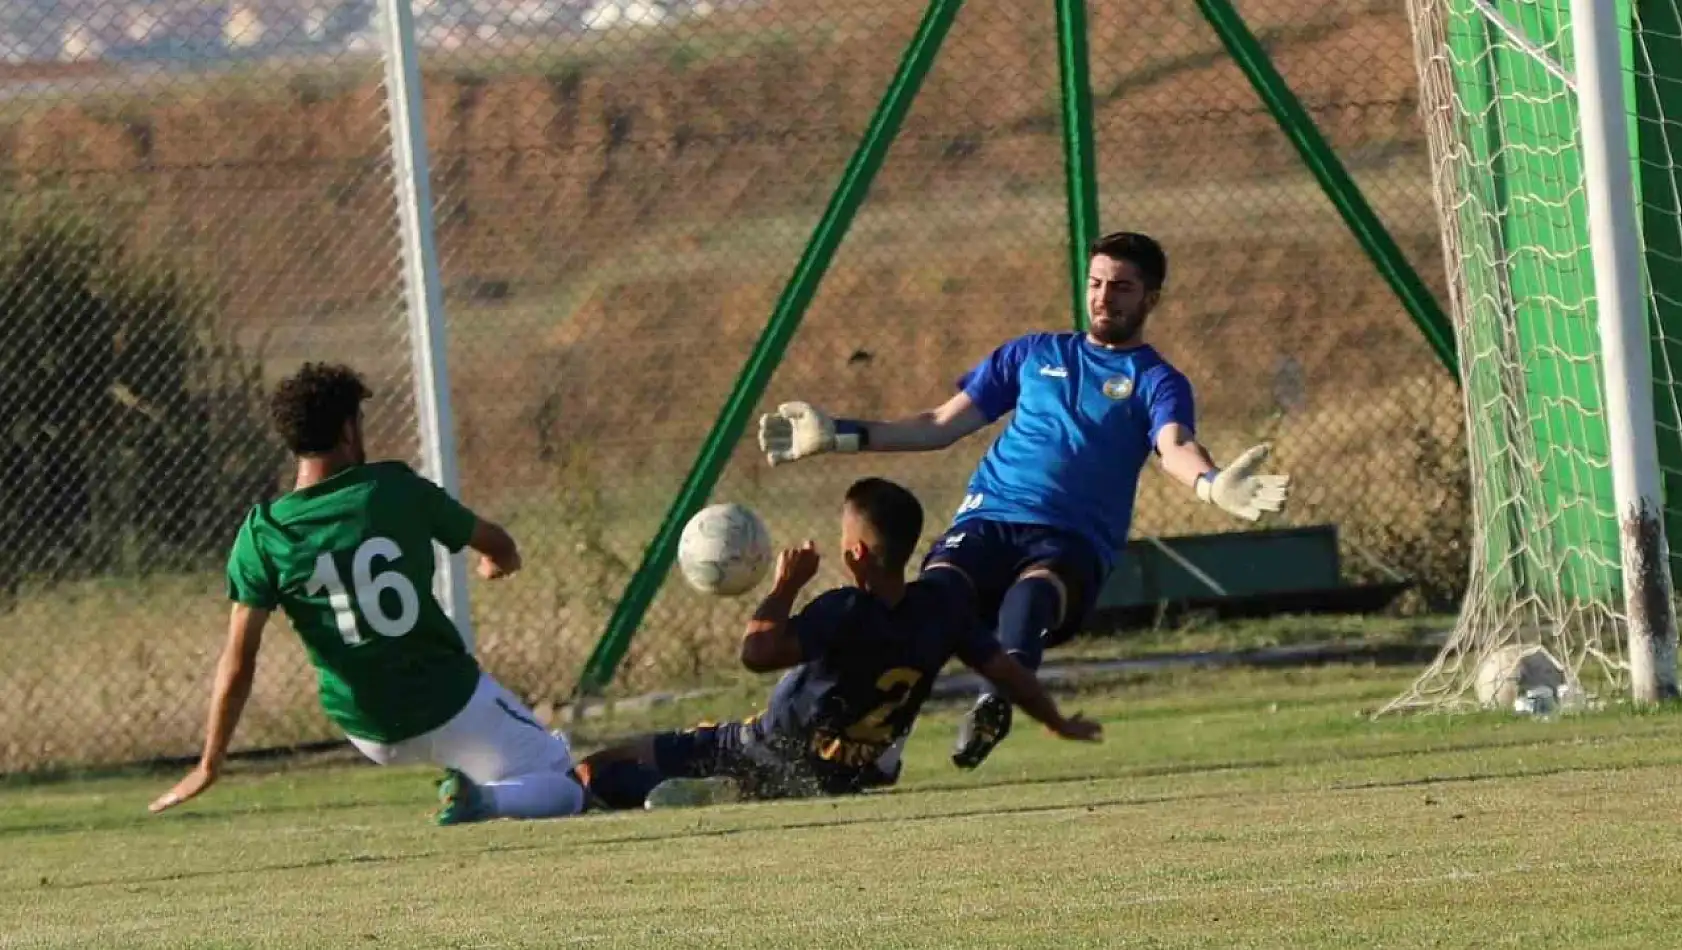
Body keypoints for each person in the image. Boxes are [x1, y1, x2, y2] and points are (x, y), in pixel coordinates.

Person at [756, 231, 1290, 771]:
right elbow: (940, 424)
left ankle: (994, 702)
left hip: (1070, 539)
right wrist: (841, 435)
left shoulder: (1156, 379)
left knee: (1032, 597)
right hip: (988, 519)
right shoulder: (1033, 354)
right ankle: (864, 745)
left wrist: (1211, 483)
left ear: (1151, 298)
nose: (1105, 298)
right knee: (928, 608)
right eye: (1097, 284)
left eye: (1123, 288)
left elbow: (1174, 446)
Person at [149, 362, 586, 825]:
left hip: (371, 731)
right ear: (346, 430)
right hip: (449, 701)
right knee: (566, 784)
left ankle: (474, 793)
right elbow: (500, 546)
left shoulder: (263, 534)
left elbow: (238, 664)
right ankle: (484, 801)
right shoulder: (393, 489)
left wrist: (208, 763)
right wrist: (496, 564)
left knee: (490, 761)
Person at [576, 477, 1101, 810]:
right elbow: (1007, 674)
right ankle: (734, 791)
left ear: (855, 553)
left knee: (597, 767)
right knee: (783, 775)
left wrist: (784, 586)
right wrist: (1058, 722)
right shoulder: (943, 608)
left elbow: (756, 653)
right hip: (850, 774)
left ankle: (712, 789)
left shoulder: (842, 610)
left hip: (765, 747)